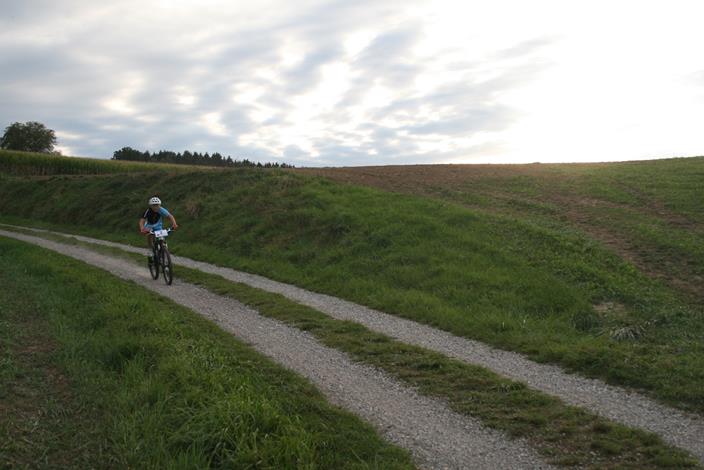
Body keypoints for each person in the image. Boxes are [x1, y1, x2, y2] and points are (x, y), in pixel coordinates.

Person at [139, 196, 178, 265]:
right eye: (153, 205)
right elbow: (142, 221)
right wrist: (142, 228)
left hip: (158, 225)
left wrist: (174, 224)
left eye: (157, 205)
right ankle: (150, 249)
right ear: (150, 206)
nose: (156, 207)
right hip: (149, 225)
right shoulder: (147, 211)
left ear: (160, 205)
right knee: (150, 235)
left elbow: (170, 216)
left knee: (161, 237)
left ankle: (163, 249)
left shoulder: (161, 210)